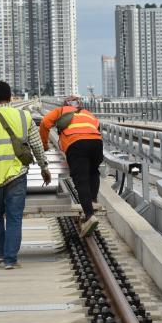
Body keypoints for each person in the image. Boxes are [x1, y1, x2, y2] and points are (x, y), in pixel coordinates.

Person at [0, 81, 51, 269]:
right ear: (11, 97)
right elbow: (36, 144)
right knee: (14, 217)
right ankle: (10, 259)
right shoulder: (24, 116)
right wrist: (44, 167)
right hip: (17, 174)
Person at [40, 95, 103, 237]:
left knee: (81, 179)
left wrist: (44, 144)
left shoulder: (61, 111)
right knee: (93, 172)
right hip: (96, 143)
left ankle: (89, 215)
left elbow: (44, 123)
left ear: (65, 104)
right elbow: (97, 126)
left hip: (76, 144)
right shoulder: (88, 113)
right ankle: (92, 200)